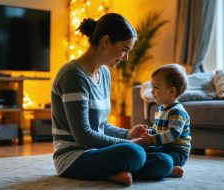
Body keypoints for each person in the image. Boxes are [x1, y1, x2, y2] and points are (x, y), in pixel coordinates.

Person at [51, 13, 173, 186]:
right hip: (73, 157)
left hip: (98, 152)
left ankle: (115, 171)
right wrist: (129, 142)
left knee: (164, 160)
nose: (126, 57)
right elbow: (83, 136)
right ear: (106, 41)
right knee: (134, 153)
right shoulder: (72, 75)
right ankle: (112, 171)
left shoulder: (105, 73)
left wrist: (127, 133)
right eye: (124, 49)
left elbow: (101, 126)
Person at [142, 64, 191, 177]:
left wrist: (152, 140)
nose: (152, 91)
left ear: (171, 91)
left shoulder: (177, 111)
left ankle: (168, 170)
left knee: (159, 159)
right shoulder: (160, 109)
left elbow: (173, 134)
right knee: (143, 150)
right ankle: (165, 168)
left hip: (177, 152)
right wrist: (147, 133)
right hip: (164, 146)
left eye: (156, 87)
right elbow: (157, 130)